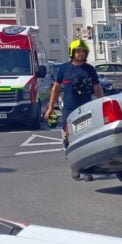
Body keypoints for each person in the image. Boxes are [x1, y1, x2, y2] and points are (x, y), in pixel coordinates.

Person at [44, 39, 103, 176]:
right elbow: (56, 88)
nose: (80, 54)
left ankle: (87, 169)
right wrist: (50, 107)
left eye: (83, 51)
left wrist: (101, 104)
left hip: (86, 108)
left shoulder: (90, 69)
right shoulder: (64, 68)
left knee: (86, 139)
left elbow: (97, 87)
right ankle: (75, 166)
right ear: (72, 52)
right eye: (78, 51)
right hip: (69, 110)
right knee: (68, 139)